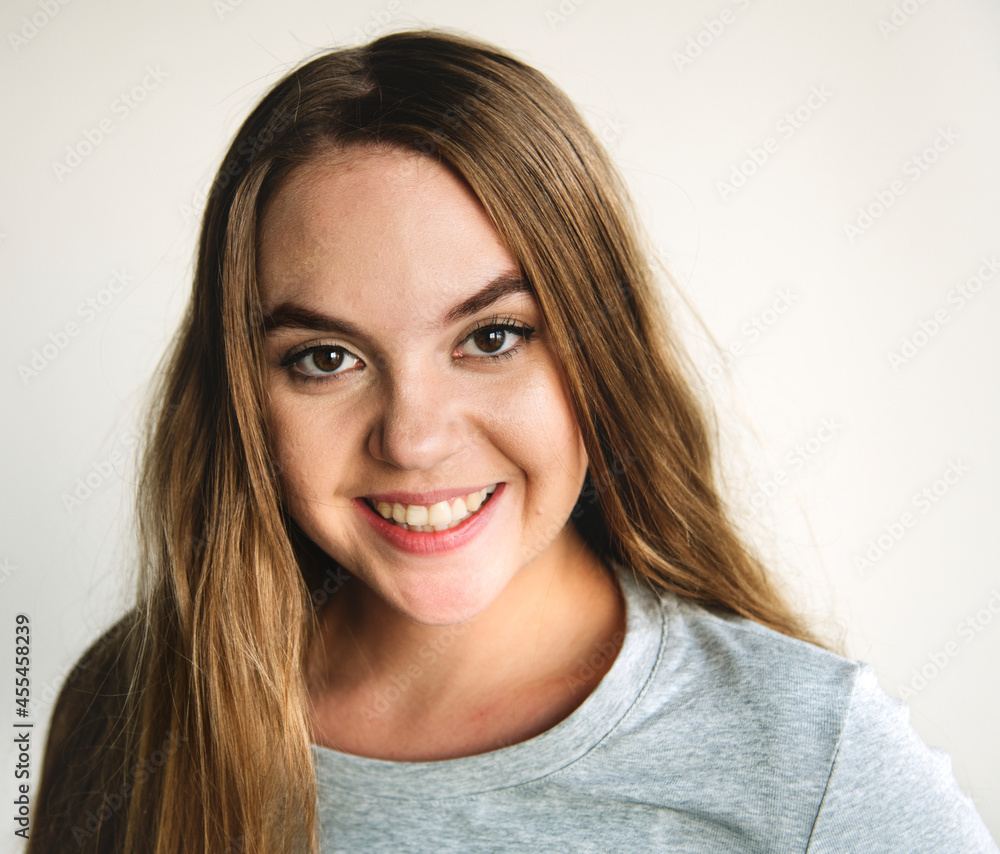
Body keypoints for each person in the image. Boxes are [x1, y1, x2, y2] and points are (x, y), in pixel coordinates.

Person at [29, 29, 997, 854]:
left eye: (492, 338)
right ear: (244, 394)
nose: (414, 438)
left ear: (600, 352)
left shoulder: (811, 756)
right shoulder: (131, 711)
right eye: (326, 358)